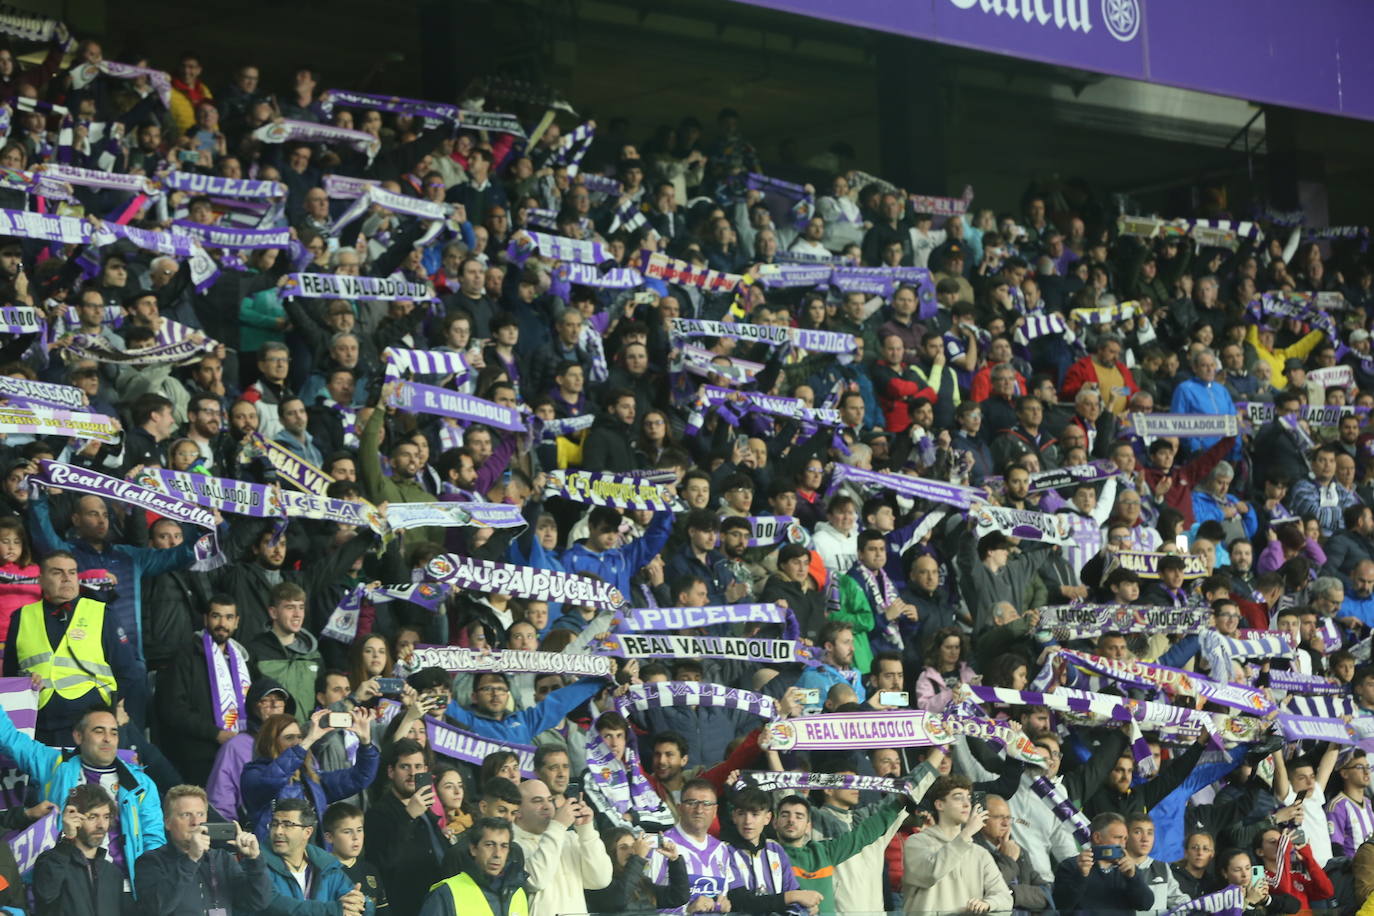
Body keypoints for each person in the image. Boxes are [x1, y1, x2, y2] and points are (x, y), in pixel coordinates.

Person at [0, 701, 163, 882]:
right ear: (78, 736)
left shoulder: (141, 785)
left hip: (121, 888)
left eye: (113, 732)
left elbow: (154, 842)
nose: (108, 738)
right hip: (66, 886)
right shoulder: (54, 764)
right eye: (99, 731)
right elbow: (9, 739)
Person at [4, 550, 146, 742]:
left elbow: (128, 672)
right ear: (41, 579)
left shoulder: (101, 613)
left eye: (72, 572)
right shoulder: (21, 617)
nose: (67, 578)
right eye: (57, 572)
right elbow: (11, 677)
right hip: (38, 725)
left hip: (88, 725)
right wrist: (26, 679)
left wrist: (107, 710)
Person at [155, 594, 253, 785]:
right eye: (216, 616)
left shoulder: (243, 658)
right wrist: (215, 734)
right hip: (197, 753)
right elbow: (172, 709)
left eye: (229, 617)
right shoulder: (186, 655)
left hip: (238, 749)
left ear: (237, 622)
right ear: (206, 619)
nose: (222, 623)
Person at [239, 707, 379, 838]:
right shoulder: (254, 774)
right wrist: (308, 740)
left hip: (311, 858)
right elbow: (271, 780)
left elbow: (359, 777)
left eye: (300, 737)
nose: (297, 742)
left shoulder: (312, 779)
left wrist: (365, 743)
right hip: (272, 858)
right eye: (289, 737)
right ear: (270, 743)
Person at [134, 784, 274, 914]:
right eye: (186, 815)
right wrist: (191, 859)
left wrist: (255, 860)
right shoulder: (150, 861)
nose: (195, 822)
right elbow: (155, 908)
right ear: (167, 822)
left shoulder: (222, 859)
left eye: (200, 814)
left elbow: (258, 902)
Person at [902, 774, 1011, 915]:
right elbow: (930, 874)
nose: (966, 804)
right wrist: (966, 834)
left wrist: (988, 903)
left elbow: (1005, 898)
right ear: (939, 804)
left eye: (969, 798)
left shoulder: (979, 853)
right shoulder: (917, 843)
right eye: (958, 797)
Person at [364, 738, 445, 916]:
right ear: (391, 772)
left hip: (435, 903)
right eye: (405, 767)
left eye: (418, 767)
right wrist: (408, 816)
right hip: (403, 907)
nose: (412, 773)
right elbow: (383, 862)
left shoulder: (426, 809)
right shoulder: (378, 814)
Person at [511, 777, 613, 916]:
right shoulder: (511, 844)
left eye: (550, 799)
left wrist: (586, 830)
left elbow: (600, 880)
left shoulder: (569, 838)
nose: (547, 806)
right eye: (537, 801)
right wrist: (558, 826)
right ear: (517, 810)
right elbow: (535, 881)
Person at [33, 783, 135, 915]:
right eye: (92, 817)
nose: (101, 825)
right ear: (73, 818)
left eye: (106, 817)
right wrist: (67, 839)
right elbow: (45, 896)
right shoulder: (50, 861)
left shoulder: (113, 873)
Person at [260, 797, 370, 915]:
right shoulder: (257, 864)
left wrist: (361, 904)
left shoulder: (326, 866)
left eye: (287, 825)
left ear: (307, 832)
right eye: (274, 824)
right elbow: (274, 906)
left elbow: (358, 906)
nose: (278, 831)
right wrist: (334, 910)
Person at [420, 817, 528, 916]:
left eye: (504, 846)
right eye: (490, 845)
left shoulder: (517, 893)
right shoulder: (446, 893)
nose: (497, 854)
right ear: (474, 849)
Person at [1052, 812, 1154, 913]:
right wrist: (1081, 875)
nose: (1122, 844)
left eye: (1125, 838)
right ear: (1097, 837)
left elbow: (1145, 905)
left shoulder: (1128, 868)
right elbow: (1061, 904)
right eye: (1117, 837)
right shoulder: (1071, 866)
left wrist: (1133, 878)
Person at [323, 802, 389, 913]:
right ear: (329, 837)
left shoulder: (370, 870)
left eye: (359, 830)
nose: (356, 837)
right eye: (347, 832)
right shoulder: (321, 872)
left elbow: (383, 911)